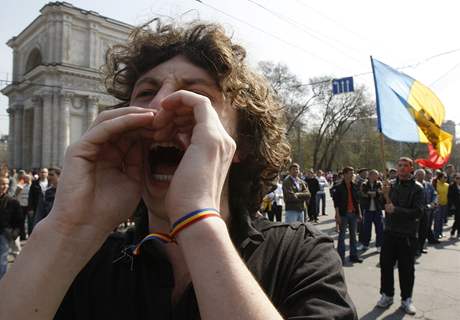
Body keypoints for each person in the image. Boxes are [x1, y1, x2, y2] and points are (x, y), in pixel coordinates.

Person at [0, 20, 357, 319]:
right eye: (146, 92)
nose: (160, 108)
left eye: (195, 95)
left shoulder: (301, 254)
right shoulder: (87, 259)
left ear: (241, 144)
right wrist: (68, 228)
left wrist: (197, 220)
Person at [376, 157, 423, 315]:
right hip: (389, 232)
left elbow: (418, 212)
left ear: (411, 168)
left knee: (406, 269)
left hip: (407, 235)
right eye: (400, 165)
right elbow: (381, 205)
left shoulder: (418, 188)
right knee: (386, 266)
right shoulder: (390, 185)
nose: (402, 168)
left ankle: (406, 299)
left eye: (405, 166)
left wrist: (396, 210)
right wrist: (383, 194)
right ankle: (387, 295)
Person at [332, 166, 363, 264]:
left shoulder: (355, 185)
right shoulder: (338, 186)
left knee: (353, 236)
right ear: (345, 174)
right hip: (343, 214)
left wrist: (359, 213)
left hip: (353, 214)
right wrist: (337, 215)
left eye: (353, 173)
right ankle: (341, 257)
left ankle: (353, 256)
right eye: (350, 173)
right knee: (342, 236)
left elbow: (357, 201)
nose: (352, 175)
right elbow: (336, 203)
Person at [0, 177, 22, 279]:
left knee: (2, 261)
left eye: (6, 184)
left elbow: (19, 219)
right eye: (2, 184)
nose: (4, 186)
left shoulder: (12, 202)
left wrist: (16, 231)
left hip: (4, 235)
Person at [359, 169, 384, 252]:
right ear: (369, 176)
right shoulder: (364, 184)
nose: (375, 176)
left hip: (377, 209)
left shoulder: (379, 183)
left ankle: (379, 245)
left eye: (376, 175)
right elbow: (362, 194)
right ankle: (365, 244)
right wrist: (371, 194)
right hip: (367, 209)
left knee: (379, 228)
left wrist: (374, 193)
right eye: (373, 175)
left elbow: (381, 193)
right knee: (366, 228)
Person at [434, 172, 449, 238]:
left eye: (446, 177)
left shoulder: (447, 185)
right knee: (437, 220)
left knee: (442, 220)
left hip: (445, 204)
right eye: (444, 177)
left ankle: (440, 232)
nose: (446, 178)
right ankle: (436, 234)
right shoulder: (435, 184)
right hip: (438, 205)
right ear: (440, 177)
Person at [448, 172, 460, 238]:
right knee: (457, 219)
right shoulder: (452, 186)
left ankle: (458, 233)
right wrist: (452, 205)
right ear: (454, 179)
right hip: (456, 205)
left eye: (459, 178)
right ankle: (453, 231)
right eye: (457, 178)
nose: (459, 179)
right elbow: (449, 196)